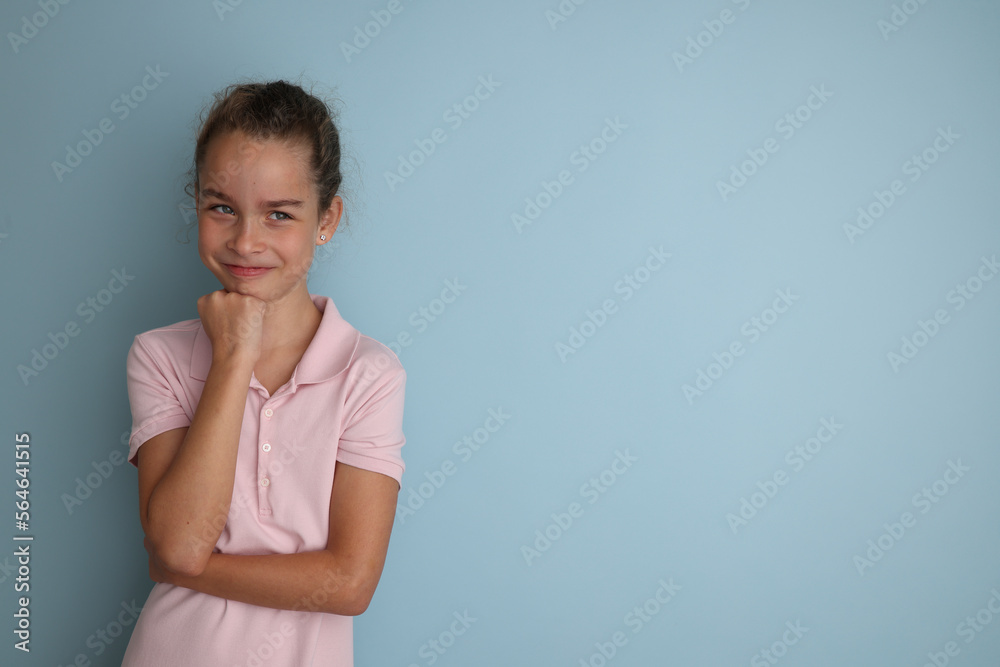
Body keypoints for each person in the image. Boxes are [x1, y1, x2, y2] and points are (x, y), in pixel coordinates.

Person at [121, 79, 406, 666]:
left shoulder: (368, 375)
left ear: (327, 220)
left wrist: (192, 569)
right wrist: (231, 360)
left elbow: (350, 584)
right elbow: (178, 542)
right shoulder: (159, 356)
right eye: (221, 206)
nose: (246, 241)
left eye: (279, 214)